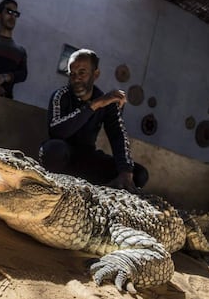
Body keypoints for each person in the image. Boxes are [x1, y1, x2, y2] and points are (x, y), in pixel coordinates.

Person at [39, 49, 148, 193]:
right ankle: (56, 189)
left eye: (82, 72)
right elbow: (57, 131)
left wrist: (125, 171)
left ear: (95, 74)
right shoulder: (61, 96)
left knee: (139, 174)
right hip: (64, 158)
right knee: (52, 150)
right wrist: (94, 105)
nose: (76, 78)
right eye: (72, 74)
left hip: (87, 161)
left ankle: (100, 191)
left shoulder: (107, 102)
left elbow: (117, 135)